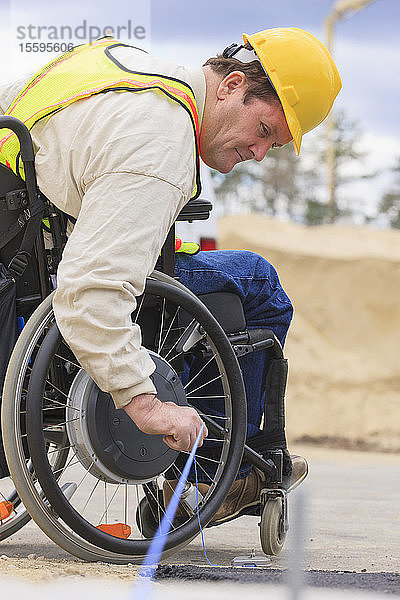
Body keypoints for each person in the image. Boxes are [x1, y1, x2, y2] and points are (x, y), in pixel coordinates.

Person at [0, 28, 341, 520]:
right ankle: (214, 479)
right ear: (231, 85)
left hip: (21, 263)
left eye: (275, 146)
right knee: (254, 280)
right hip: (55, 278)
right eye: (264, 130)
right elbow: (90, 291)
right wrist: (144, 401)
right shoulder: (160, 141)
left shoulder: (113, 64)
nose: (260, 153)